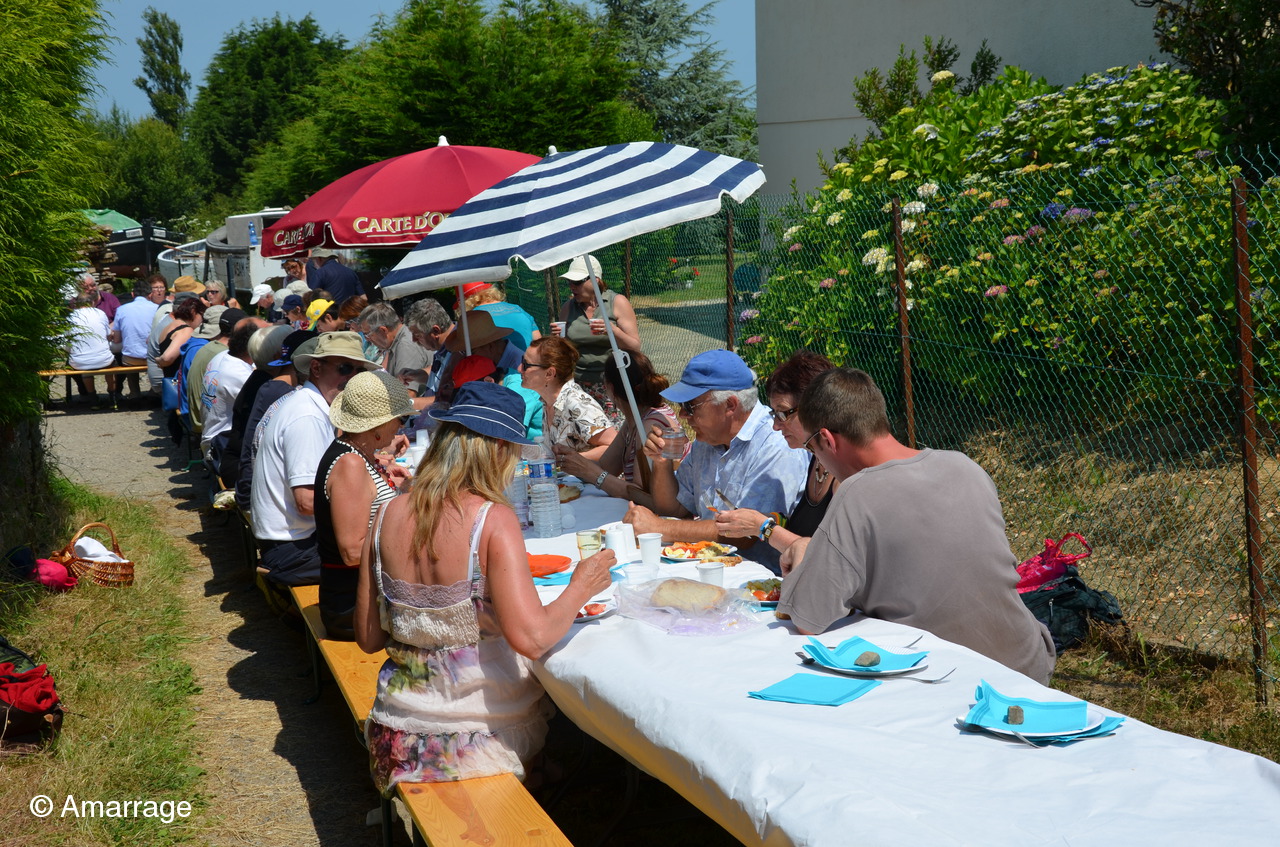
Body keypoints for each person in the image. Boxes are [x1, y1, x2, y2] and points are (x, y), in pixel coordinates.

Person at [355, 381, 616, 792]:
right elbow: (533, 639)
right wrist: (582, 585)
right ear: (497, 449)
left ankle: (545, 775)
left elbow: (368, 638)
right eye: (514, 451)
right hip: (476, 737)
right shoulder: (490, 519)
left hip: (395, 732)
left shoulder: (386, 512)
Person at [775, 368, 1057, 684]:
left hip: (952, 679)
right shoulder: (964, 465)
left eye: (812, 448)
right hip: (1028, 663)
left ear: (827, 440)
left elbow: (807, 618)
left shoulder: (856, 493)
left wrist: (801, 555)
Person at [623, 350, 809, 574]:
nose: (682, 415)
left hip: (761, 581)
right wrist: (662, 463)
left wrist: (659, 527)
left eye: (690, 406)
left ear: (730, 405)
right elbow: (674, 507)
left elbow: (744, 534)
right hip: (711, 569)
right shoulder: (709, 439)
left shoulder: (776, 444)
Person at [251, 332, 378, 587]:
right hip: (293, 550)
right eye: (345, 368)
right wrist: (371, 498)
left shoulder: (311, 405)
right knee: (389, 557)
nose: (351, 378)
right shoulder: (307, 416)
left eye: (359, 371)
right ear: (316, 368)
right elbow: (307, 502)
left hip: (294, 542)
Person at [313, 371, 414, 640]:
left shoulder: (355, 454)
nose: (400, 426)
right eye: (400, 418)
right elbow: (352, 551)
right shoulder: (351, 464)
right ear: (378, 425)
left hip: (363, 596)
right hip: (356, 605)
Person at [713, 351, 838, 557]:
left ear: (815, 408)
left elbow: (829, 556)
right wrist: (768, 519)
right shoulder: (816, 459)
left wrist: (763, 527)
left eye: (783, 413)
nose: (776, 426)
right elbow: (804, 527)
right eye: (774, 414)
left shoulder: (845, 475)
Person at [553, 350, 677, 507]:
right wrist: (574, 461)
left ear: (610, 388)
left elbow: (643, 494)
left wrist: (591, 473)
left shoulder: (648, 426)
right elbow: (607, 467)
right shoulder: (634, 420)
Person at [553, 255, 641, 423]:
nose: (572, 286)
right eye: (569, 282)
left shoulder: (616, 302)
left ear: (596, 280)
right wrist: (557, 338)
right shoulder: (568, 307)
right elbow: (563, 350)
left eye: (577, 282)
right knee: (587, 430)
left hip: (612, 383)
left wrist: (612, 330)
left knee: (615, 430)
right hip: (580, 383)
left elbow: (635, 346)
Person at [520, 337, 616, 461]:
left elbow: (613, 447)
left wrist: (570, 460)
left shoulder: (578, 404)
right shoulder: (548, 402)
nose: (519, 369)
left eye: (526, 365)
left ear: (549, 373)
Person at [359, 303, 431, 395]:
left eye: (367, 334)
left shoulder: (405, 345)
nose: (367, 339)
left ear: (383, 330)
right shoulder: (396, 342)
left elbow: (408, 395)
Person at [113, 278, 162, 400]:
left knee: (128, 354)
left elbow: (117, 339)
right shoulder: (157, 309)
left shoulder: (121, 309)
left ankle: (134, 392)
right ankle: (154, 391)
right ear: (150, 294)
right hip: (154, 359)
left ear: (132, 294)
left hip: (131, 359)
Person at [461, 282, 541, 349]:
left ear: (465, 302)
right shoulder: (518, 309)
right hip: (527, 361)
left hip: (496, 363)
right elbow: (538, 343)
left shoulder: (471, 318)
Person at [65, 294, 115, 402]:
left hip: (79, 362)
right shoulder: (100, 313)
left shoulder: (71, 316)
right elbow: (108, 334)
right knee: (111, 363)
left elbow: (67, 338)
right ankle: (113, 395)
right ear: (92, 302)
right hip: (104, 360)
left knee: (85, 366)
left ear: (76, 304)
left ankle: (93, 399)